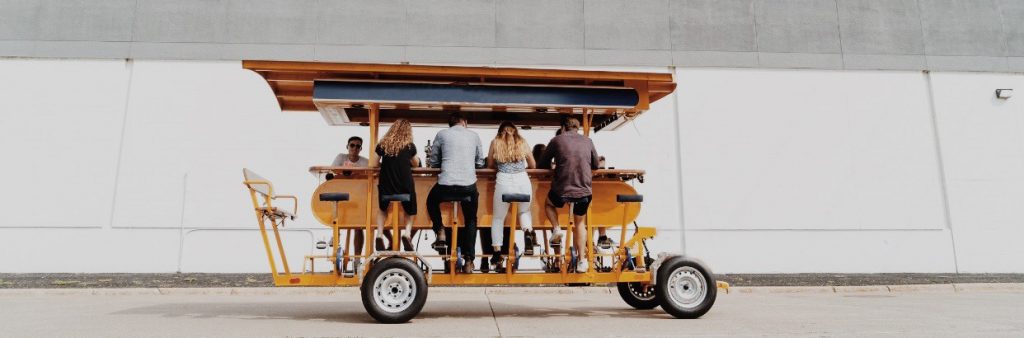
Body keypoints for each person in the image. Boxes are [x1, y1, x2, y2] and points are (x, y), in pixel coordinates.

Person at [539, 117, 601, 273]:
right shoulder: (588, 141)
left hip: (562, 189)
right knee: (580, 223)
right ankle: (582, 261)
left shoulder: (556, 140)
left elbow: (542, 164)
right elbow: (596, 165)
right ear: (577, 128)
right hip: (584, 190)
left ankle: (556, 228)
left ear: (563, 127)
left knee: (548, 204)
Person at [426, 112, 485, 273]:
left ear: (450, 124)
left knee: (431, 201)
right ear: (464, 122)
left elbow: (433, 161)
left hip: (446, 185)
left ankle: (440, 230)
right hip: (468, 186)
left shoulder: (442, 134)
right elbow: (480, 162)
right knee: (471, 218)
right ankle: (469, 260)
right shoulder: (474, 135)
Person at [483, 122, 537, 272]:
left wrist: (501, 165)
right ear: (516, 131)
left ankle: (497, 252)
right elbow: (533, 165)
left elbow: (489, 164)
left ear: (500, 131)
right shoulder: (522, 142)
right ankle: (527, 232)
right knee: (524, 211)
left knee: (498, 218)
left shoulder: (495, 142)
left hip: (503, 181)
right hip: (523, 181)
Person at [375, 119, 420, 252]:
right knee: (411, 209)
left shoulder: (383, 145)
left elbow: (373, 163)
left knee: (382, 209)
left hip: (386, 185)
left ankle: (379, 234)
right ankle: (406, 234)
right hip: (404, 186)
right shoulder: (410, 146)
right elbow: (416, 164)